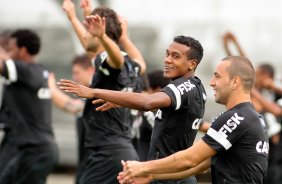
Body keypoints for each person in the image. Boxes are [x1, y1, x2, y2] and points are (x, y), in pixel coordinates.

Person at [58, 35, 207, 184]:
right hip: (166, 176)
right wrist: (121, 101)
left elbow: (148, 102)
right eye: (167, 54)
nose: (167, 60)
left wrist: (94, 92)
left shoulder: (184, 86)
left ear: (192, 64)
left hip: (173, 179)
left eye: (176, 56)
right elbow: (157, 107)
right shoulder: (196, 87)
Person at [116, 56, 269, 184]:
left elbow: (190, 159)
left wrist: (143, 167)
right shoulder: (253, 117)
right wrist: (153, 176)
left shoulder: (236, 118)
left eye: (217, 76)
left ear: (235, 82)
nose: (211, 83)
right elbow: (200, 165)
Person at [62, 1, 146, 183]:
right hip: (122, 152)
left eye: (89, 30)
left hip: (107, 155)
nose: (86, 34)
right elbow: (140, 61)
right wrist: (76, 17)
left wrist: (101, 37)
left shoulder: (112, 62)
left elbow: (115, 61)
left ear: (101, 34)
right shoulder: (133, 65)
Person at [0, 29, 58, 183]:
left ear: (23, 50)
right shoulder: (38, 71)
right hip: (30, 150)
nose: (9, 54)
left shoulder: (24, 70)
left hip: (36, 151)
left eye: (11, 50)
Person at [48, 53, 94, 183]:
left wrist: (51, 87)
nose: (75, 77)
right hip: (85, 163)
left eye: (77, 73)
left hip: (96, 163)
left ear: (90, 70)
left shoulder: (97, 95)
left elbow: (72, 107)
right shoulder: (85, 96)